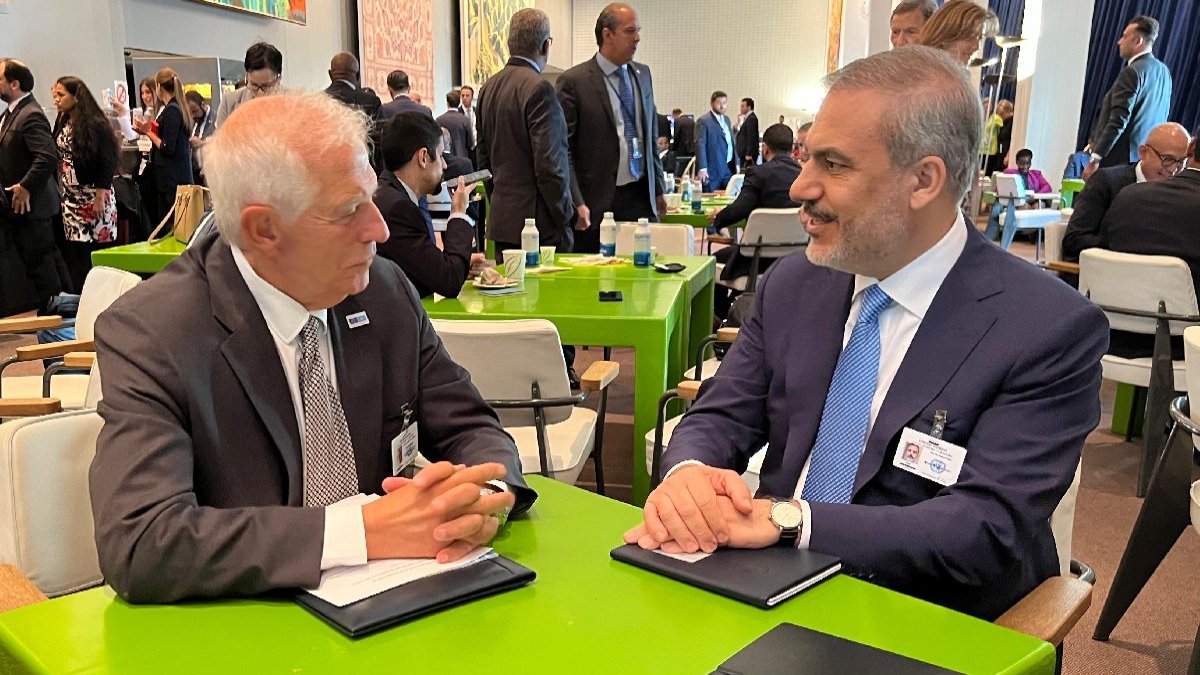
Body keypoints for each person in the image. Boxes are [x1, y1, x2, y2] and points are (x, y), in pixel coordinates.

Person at [623, 46, 1107, 621]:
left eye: (833, 165)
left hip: (929, 616)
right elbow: (722, 415)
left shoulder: (1046, 326)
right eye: (806, 158)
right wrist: (689, 476)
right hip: (763, 587)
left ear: (923, 180)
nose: (800, 187)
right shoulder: (795, 283)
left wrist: (792, 522)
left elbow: (986, 526)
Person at [89, 91, 534, 603]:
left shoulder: (384, 292)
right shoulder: (155, 333)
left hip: (390, 608)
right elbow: (142, 539)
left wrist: (481, 498)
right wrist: (363, 531)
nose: (379, 228)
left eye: (371, 197)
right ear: (263, 229)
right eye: (348, 210)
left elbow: (472, 427)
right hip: (246, 624)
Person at [558, 2, 666, 252]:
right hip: (597, 202)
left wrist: (658, 189)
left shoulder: (643, 74)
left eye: (638, 31)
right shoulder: (574, 82)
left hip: (641, 195)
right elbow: (565, 150)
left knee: (643, 269)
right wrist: (576, 201)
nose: (637, 38)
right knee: (599, 273)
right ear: (607, 35)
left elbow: (650, 138)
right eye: (630, 31)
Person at [476, 7, 575, 256]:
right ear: (545, 45)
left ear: (509, 43)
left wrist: (499, 200)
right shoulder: (540, 89)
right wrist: (566, 214)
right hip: (540, 224)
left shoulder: (488, 88)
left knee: (509, 283)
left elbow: (483, 161)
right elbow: (549, 165)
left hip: (503, 221)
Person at [1099, 135, 1200, 358]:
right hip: (1185, 351)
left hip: (1111, 338)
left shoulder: (1128, 195)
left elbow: (1102, 252)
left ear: (1191, 147)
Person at [375, 111, 486, 298]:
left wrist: (459, 263)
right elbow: (448, 280)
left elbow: (421, 269)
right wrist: (458, 213)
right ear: (423, 157)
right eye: (441, 155)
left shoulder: (387, 193)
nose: (444, 165)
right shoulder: (398, 209)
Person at [709, 123, 802, 316]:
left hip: (756, 260)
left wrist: (718, 218)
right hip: (795, 259)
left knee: (713, 260)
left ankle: (721, 314)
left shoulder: (758, 173)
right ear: (793, 148)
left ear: (765, 148)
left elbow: (740, 208)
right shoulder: (804, 174)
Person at [1063, 122, 1191, 261]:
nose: (1173, 170)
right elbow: (1074, 240)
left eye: (1181, 162)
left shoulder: (1181, 195)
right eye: (1167, 159)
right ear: (1143, 152)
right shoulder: (1106, 182)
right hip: (1106, 268)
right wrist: (1131, 247)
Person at [0, 59, 65, 307]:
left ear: (14, 84)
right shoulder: (10, 114)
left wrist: (25, 186)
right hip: (19, 208)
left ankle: (58, 316)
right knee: (39, 265)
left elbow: (47, 156)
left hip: (33, 207)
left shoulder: (30, 114)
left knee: (43, 266)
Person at [50, 76, 120, 290]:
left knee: (97, 252)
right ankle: (82, 294)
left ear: (76, 97)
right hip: (71, 197)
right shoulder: (63, 120)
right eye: (54, 95)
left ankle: (102, 294)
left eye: (61, 95)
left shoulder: (95, 123)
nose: (56, 100)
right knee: (76, 253)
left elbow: (107, 161)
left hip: (94, 194)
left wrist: (100, 197)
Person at [1084, 15, 1173, 174]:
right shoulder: (1164, 72)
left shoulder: (1132, 72)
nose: (1120, 41)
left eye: (1125, 36)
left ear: (1138, 40)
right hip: (1146, 161)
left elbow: (1118, 120)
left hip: (1119, 163)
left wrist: (1095, 158)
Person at [132, 68, 192, 227]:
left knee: (171, 225)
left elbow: (167, 147)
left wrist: (148, 132)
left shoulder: (172, 110)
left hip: (172, 180)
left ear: (158, 87)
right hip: (171, 178)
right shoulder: (174, 108)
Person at [216, 42, 283, 127]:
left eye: (266, 86)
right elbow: (220, 135)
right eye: (254, 85)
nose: (260, 93)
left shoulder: (292, 104)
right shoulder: (229, 102)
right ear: (247, 77)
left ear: (278, 79)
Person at [917, 0, 998, 66]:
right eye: (969, 37)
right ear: (944, 35)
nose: (976, 47)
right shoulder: (921, 72)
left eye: (979, 38)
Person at [323, 52, 382, 122]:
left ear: (330, 74)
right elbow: (379, 128)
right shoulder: (371, 101)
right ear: (358, 75)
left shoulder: (318, 100)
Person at [696, 91, 736, 191]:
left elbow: (731, 142)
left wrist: (737, 162)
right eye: (719, 103)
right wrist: (702, 168)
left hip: (727, 168)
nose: (722, 106)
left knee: (729, 196)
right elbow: (700, 144)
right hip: (712, 170)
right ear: (712, 103)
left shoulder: (727, 120)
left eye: (724, 103)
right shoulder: (704, 121)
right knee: (711, 197)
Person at [184, 90, 215, 185]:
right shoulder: (191, 121)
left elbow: (222, 142)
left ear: (203, 105)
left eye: (194, 111)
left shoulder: (216, 118)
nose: (193, 116)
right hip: (193, 172)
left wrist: (202, 143)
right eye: (190, 113)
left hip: (210, 171)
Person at [436, 91, 473, 165]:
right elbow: (470, 143)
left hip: (444, 160)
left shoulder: (439, 120)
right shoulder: (465, 120)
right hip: (462, 158)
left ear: (447, 103)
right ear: (459, 103)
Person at [983, 99, 1013, 176]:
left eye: (1002, 114)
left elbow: (1013, 140)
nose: (1001, 117)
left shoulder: (1012, 123)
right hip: (1000, 152)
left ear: (1007, 111)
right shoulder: (1005, 122)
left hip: (1004, 153)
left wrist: (1008, 155)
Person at [735, 97, 759, 168]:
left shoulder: (751, 118)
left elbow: (751, 137)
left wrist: (749, 153)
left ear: (749, 107)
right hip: (745, 153)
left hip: (747, 155)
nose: (740, 108)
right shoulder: (748, 118)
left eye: (743, 106)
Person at [457, 85, 478, 162]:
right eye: (462, 95)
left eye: (467, 95)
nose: (464, 98)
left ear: (472, 97)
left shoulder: (477, 111)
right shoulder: (458, 112)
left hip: (477, 148)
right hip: (464, 148)